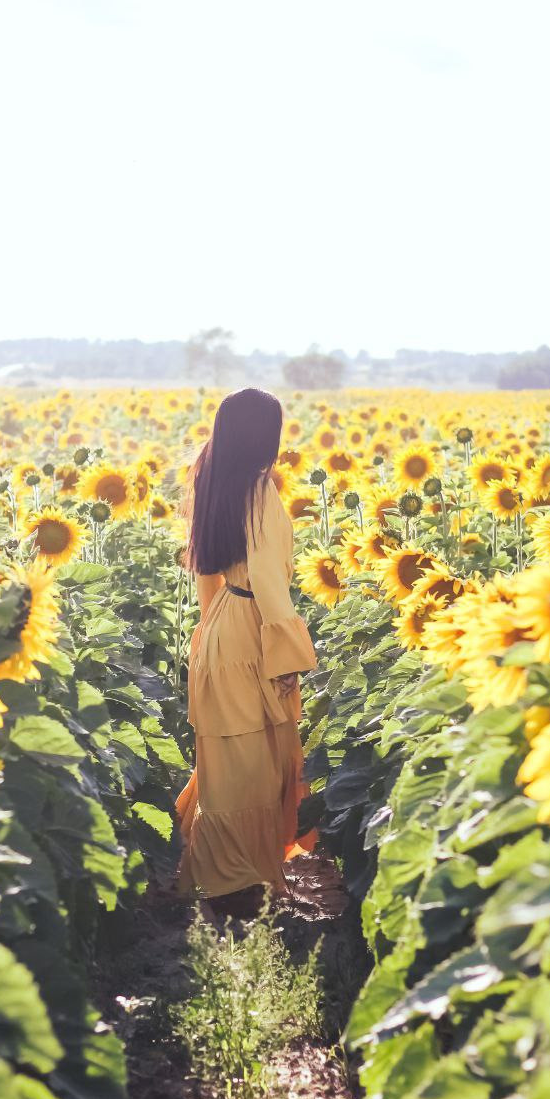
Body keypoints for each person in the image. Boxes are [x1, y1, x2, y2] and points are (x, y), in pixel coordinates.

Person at [173, 387, 318, 915]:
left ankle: (224, 874)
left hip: (221, 625)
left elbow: (206, 573)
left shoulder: (209, 481)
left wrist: (208, 629)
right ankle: (242, 880)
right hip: (254, 626)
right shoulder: (260, 490)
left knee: (231, 758)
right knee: (257, 761)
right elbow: (267, 581)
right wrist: (287, 650)